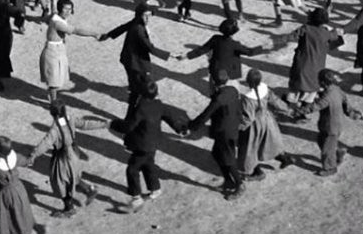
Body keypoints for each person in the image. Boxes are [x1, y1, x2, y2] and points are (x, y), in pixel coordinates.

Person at [27, 100, 104, 217]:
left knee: (61, 184)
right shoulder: (70, 119)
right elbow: (85, 124)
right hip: (74, 154)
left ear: (52, 113)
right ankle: (90, 189)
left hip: (63, 160)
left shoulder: (55, 130)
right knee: (74, 177)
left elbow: (44, 144)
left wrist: (32, 156)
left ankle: (69, 209)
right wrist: (104, 124)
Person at [123, 81, 187, 212]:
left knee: (132, 169)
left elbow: (130, 126)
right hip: (154, 143)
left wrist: (114, 124)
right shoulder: (159, 105)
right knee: (148, 165)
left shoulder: (141, 108)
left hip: (142, 145)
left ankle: (136, 198)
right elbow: (170, 118)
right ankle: (155, 189)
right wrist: (180, 129)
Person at [99, 2, 173, 114]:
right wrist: (170, 55)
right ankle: (135, 110)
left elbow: (122, 27)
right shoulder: (139, 29)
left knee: (135, 86)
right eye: (145, 15)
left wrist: (108, 35)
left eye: (149, 15)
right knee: (144, 87)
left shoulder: (136, 21)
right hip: (136, 63)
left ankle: (133, 100)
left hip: (128, 59)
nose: (148, 18)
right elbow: (150, 48)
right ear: (139, 15)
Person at [188, 69, 244, 200]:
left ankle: (239, 184)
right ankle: (228, 180)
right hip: (230, 128)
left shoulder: (219, 98)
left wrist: (191, 126)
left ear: (214, 82)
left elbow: (205, 115)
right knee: (217, 153)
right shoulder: (233, 90)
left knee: (228, 158)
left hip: (224, 132)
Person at [40, 0, 100, 102]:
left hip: (58, 49)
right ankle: (53, 102)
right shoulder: (58, 23)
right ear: (60, 9)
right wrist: (94, 34)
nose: (68, 12)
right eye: (66, 9)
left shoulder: (55, 17)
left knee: (56, 78)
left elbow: (45, 19)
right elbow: (75, 30)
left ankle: (52, 97)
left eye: (70, 9)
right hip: (53, 51)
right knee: (54, 80)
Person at [280, 8, 342, 108]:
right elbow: (334, 36)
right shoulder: (326, 33)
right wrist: (336, 31)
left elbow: (291, 36)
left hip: (301, 65)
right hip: (317, 68)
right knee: (311, 92)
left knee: (295, 88)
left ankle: (288, 103)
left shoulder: (305, 29)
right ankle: (304, 111)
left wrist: (276, 41)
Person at [180, 18, 267, 89]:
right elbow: (250, 52)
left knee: (214, 89)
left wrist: (186, 56)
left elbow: (201, 50)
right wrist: (263, 47)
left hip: (215, 70)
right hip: (229, 73)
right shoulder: (235, 45)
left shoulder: (215, 39)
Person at [238, 69, 293, 180]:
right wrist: (288, 109)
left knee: (251, 149)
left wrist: (239, 127)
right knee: (273, 143)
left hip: (255, 126)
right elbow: (276, 101)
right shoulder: (266, 89)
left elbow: (248, 118)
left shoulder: (248, 99)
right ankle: (285, 159)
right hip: (268, 120)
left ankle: (254, 172)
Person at [307, 69, 352, 176]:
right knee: (321, 141)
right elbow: (345, 100)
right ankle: (337, 154)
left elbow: (315, 106)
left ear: (322, 82)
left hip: (331, 127)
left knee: (326, 149)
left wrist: (299, 111)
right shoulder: (336, 89)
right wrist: (349, 112)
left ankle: (330, 168)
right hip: (333, 124)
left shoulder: (327, 96)